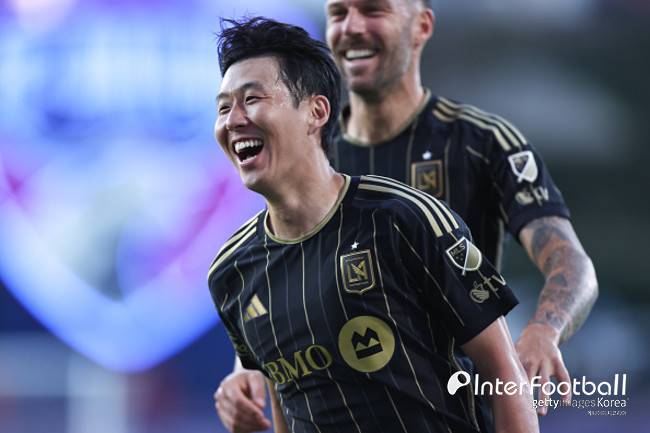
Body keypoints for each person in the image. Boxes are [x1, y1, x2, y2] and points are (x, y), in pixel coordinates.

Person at [214, 0, 598, 431]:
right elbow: (284, 285)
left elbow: (571, 261)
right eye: (338, 13)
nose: (351, 27)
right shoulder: (294, 152)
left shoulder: (479, 144)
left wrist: (544, 331)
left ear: (422, 26)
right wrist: (245, 369)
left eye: (372, 10)